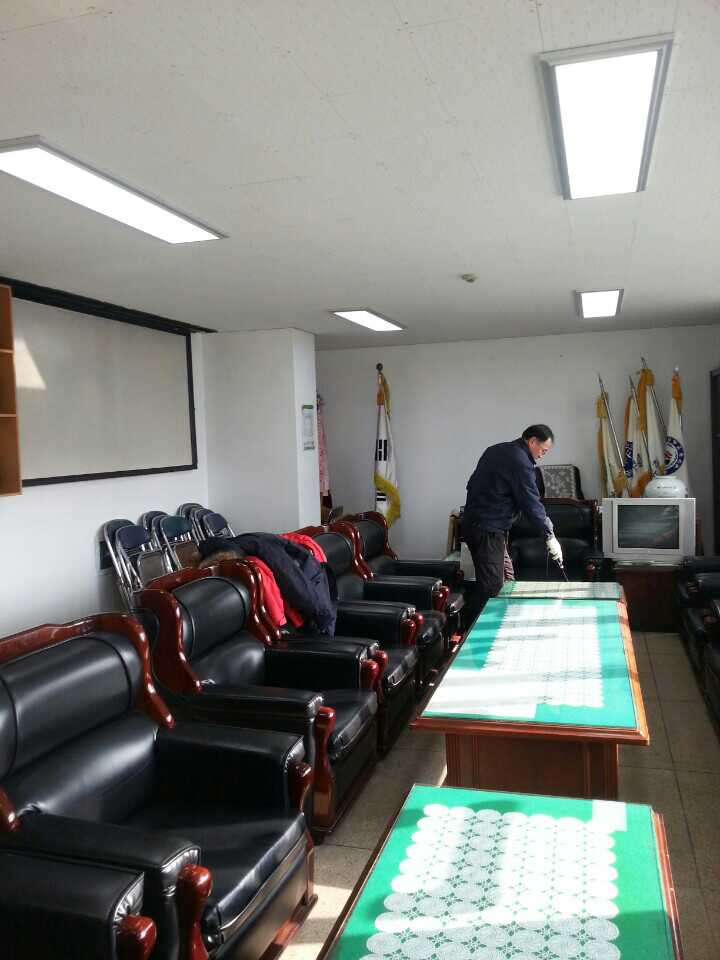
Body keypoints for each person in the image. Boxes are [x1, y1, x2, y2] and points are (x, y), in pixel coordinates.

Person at [461, 424, 563, 616]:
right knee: (493, 590)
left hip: (481, 526)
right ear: (532, 441)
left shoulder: (495, 450)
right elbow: (531, 502)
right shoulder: (520, 461)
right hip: (487, 529)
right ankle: (478, 631)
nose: (542, 455)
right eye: (543, 450)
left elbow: (471, 485)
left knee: (507, 583)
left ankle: (503, 623)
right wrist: (550, 535)